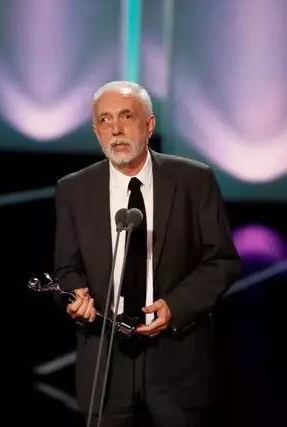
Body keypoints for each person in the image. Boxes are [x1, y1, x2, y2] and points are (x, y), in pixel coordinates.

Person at [53, 80, 242, 427]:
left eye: (126, 116)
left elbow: (222, 261)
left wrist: (176, 306)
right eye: (106, 121)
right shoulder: (73, 189)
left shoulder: (194, 180)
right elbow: (67, 267)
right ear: (96, 132)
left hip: (178, 358)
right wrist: (76, 296)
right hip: (106, 359)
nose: (116, 129)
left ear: (149, 126)